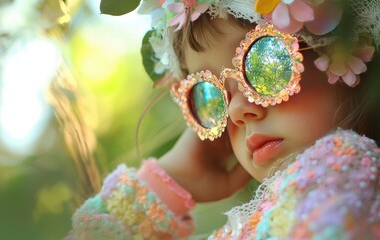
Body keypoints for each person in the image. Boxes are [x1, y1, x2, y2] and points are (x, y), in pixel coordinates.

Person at [67, 0, 380, 239]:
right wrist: (169, 181)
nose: (234, 112)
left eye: (263, 61)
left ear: (345, 52)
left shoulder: (340, 167)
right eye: (208, 96)